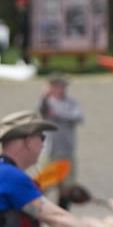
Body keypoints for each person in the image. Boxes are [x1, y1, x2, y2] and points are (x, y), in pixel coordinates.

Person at [37, 73, 84, 206]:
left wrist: (57, 114)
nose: (63, 88)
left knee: (66, 187)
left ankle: (63, 217)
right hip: (49, 151)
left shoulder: (71, 102)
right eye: (60, 85)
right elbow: (42, 111)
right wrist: (44, 96)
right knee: (43, 186)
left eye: (64, 86)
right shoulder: (46, 102)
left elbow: (79, 117)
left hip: (66, 152)